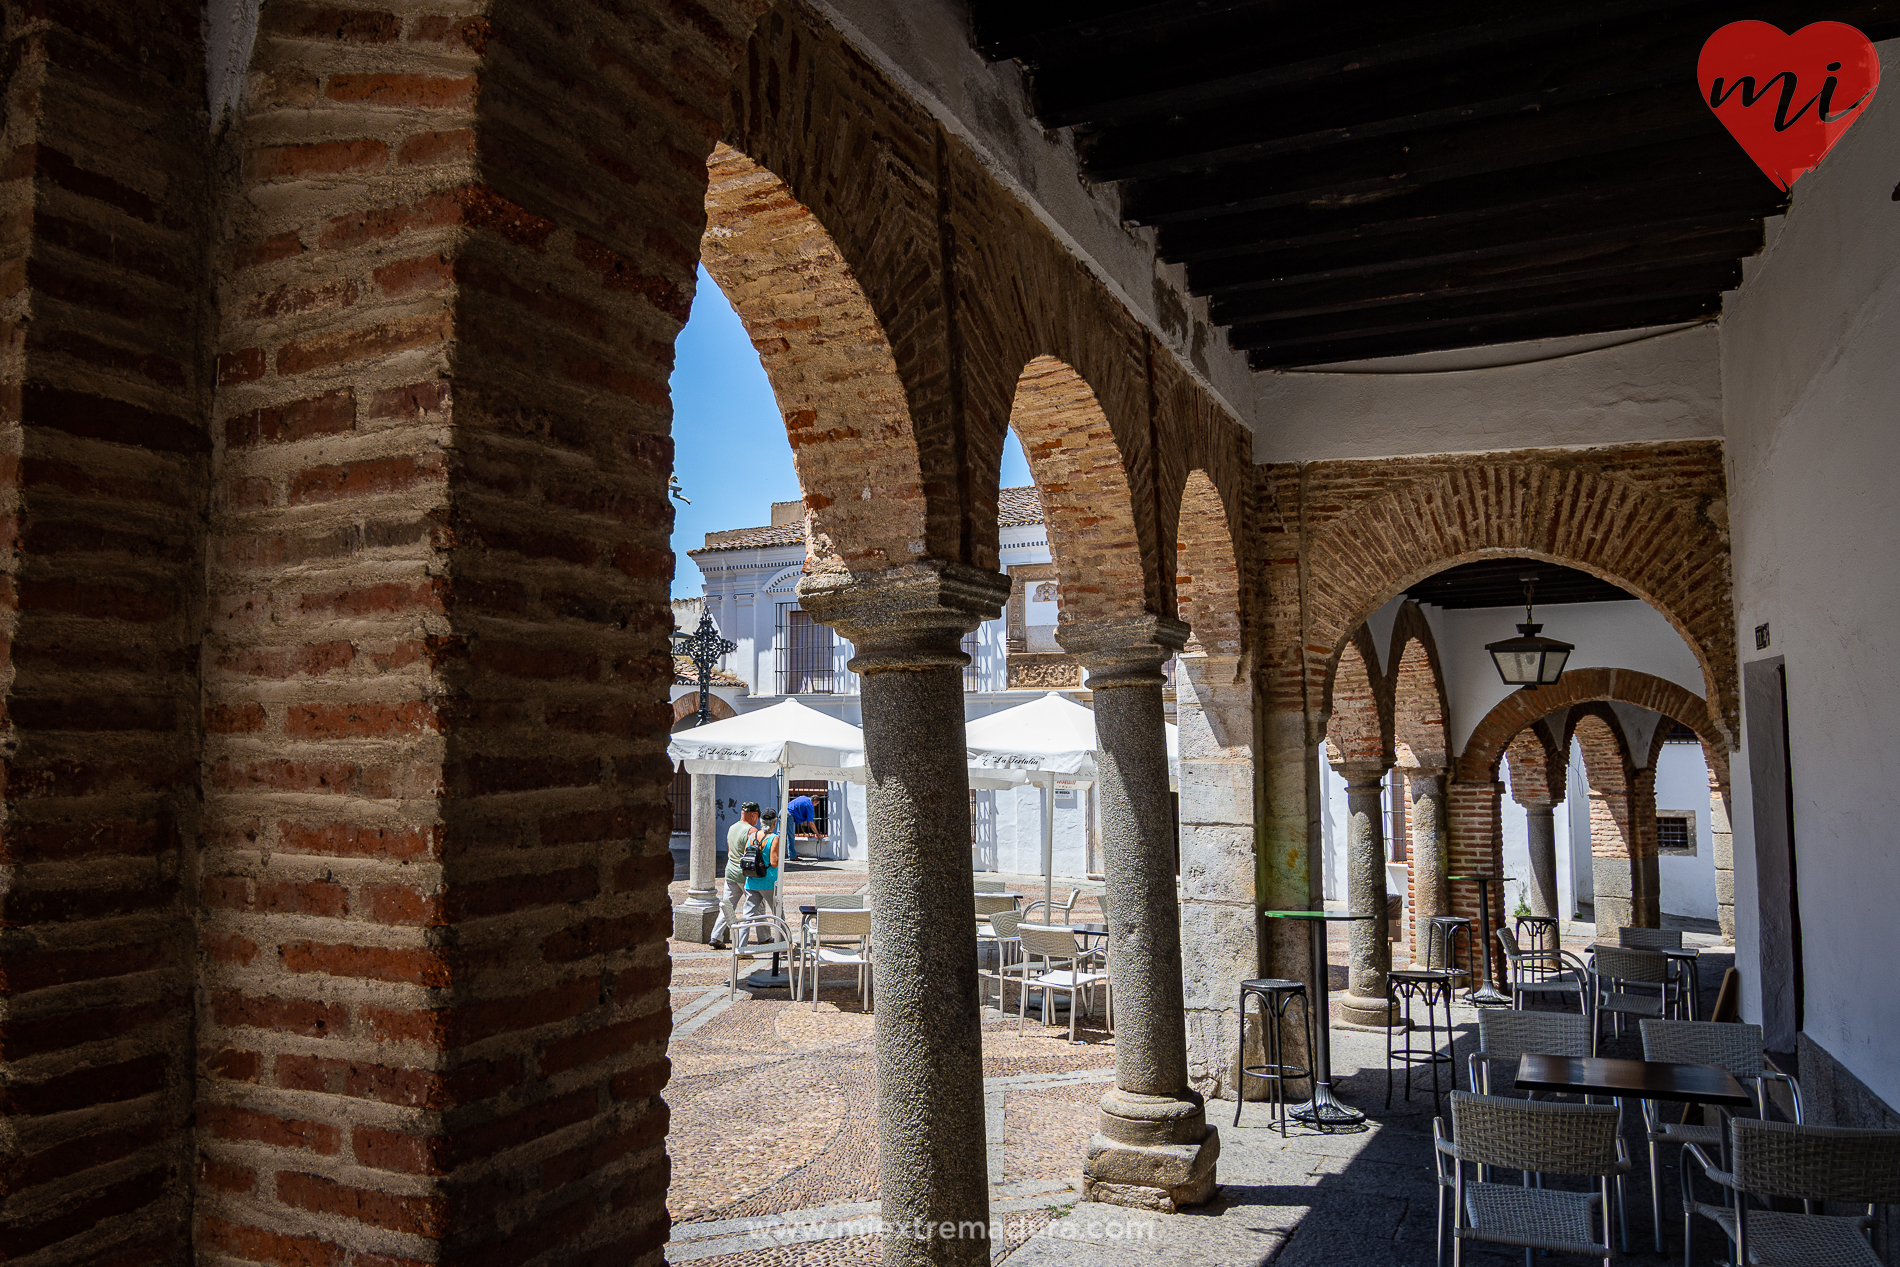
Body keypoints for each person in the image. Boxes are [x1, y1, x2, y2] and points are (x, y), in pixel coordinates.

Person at [708, 801, 758, 950]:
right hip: (745, 874)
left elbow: (730, 850)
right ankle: (765, 937)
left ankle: (716, 936)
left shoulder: (731, 827)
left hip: (730, 872)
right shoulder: (751, 831)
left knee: (727, 906)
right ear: (753, 815)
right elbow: (751, 855)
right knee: (757, 905)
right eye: (756, 816)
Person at [736, 807, 783, 945]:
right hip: (768, 881)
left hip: (751, 880)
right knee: (778, 913)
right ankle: (784, 943)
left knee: (748, 915)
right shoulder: (774, 838)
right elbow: (774, 862)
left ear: (761, 821)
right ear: (774, 822)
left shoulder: (752, 836)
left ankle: (741, 946)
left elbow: (746, 854)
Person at [785, 792, 817, 859]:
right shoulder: (810, 805)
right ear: (814, 801)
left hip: (783, 811)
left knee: (779, 835)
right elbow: (811, 822)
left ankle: (774, 853)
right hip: (789, 816)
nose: (815, 806)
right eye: (816, 804)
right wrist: (818, 834)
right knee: (790, 836)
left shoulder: (803, 797)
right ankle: (792, 856)